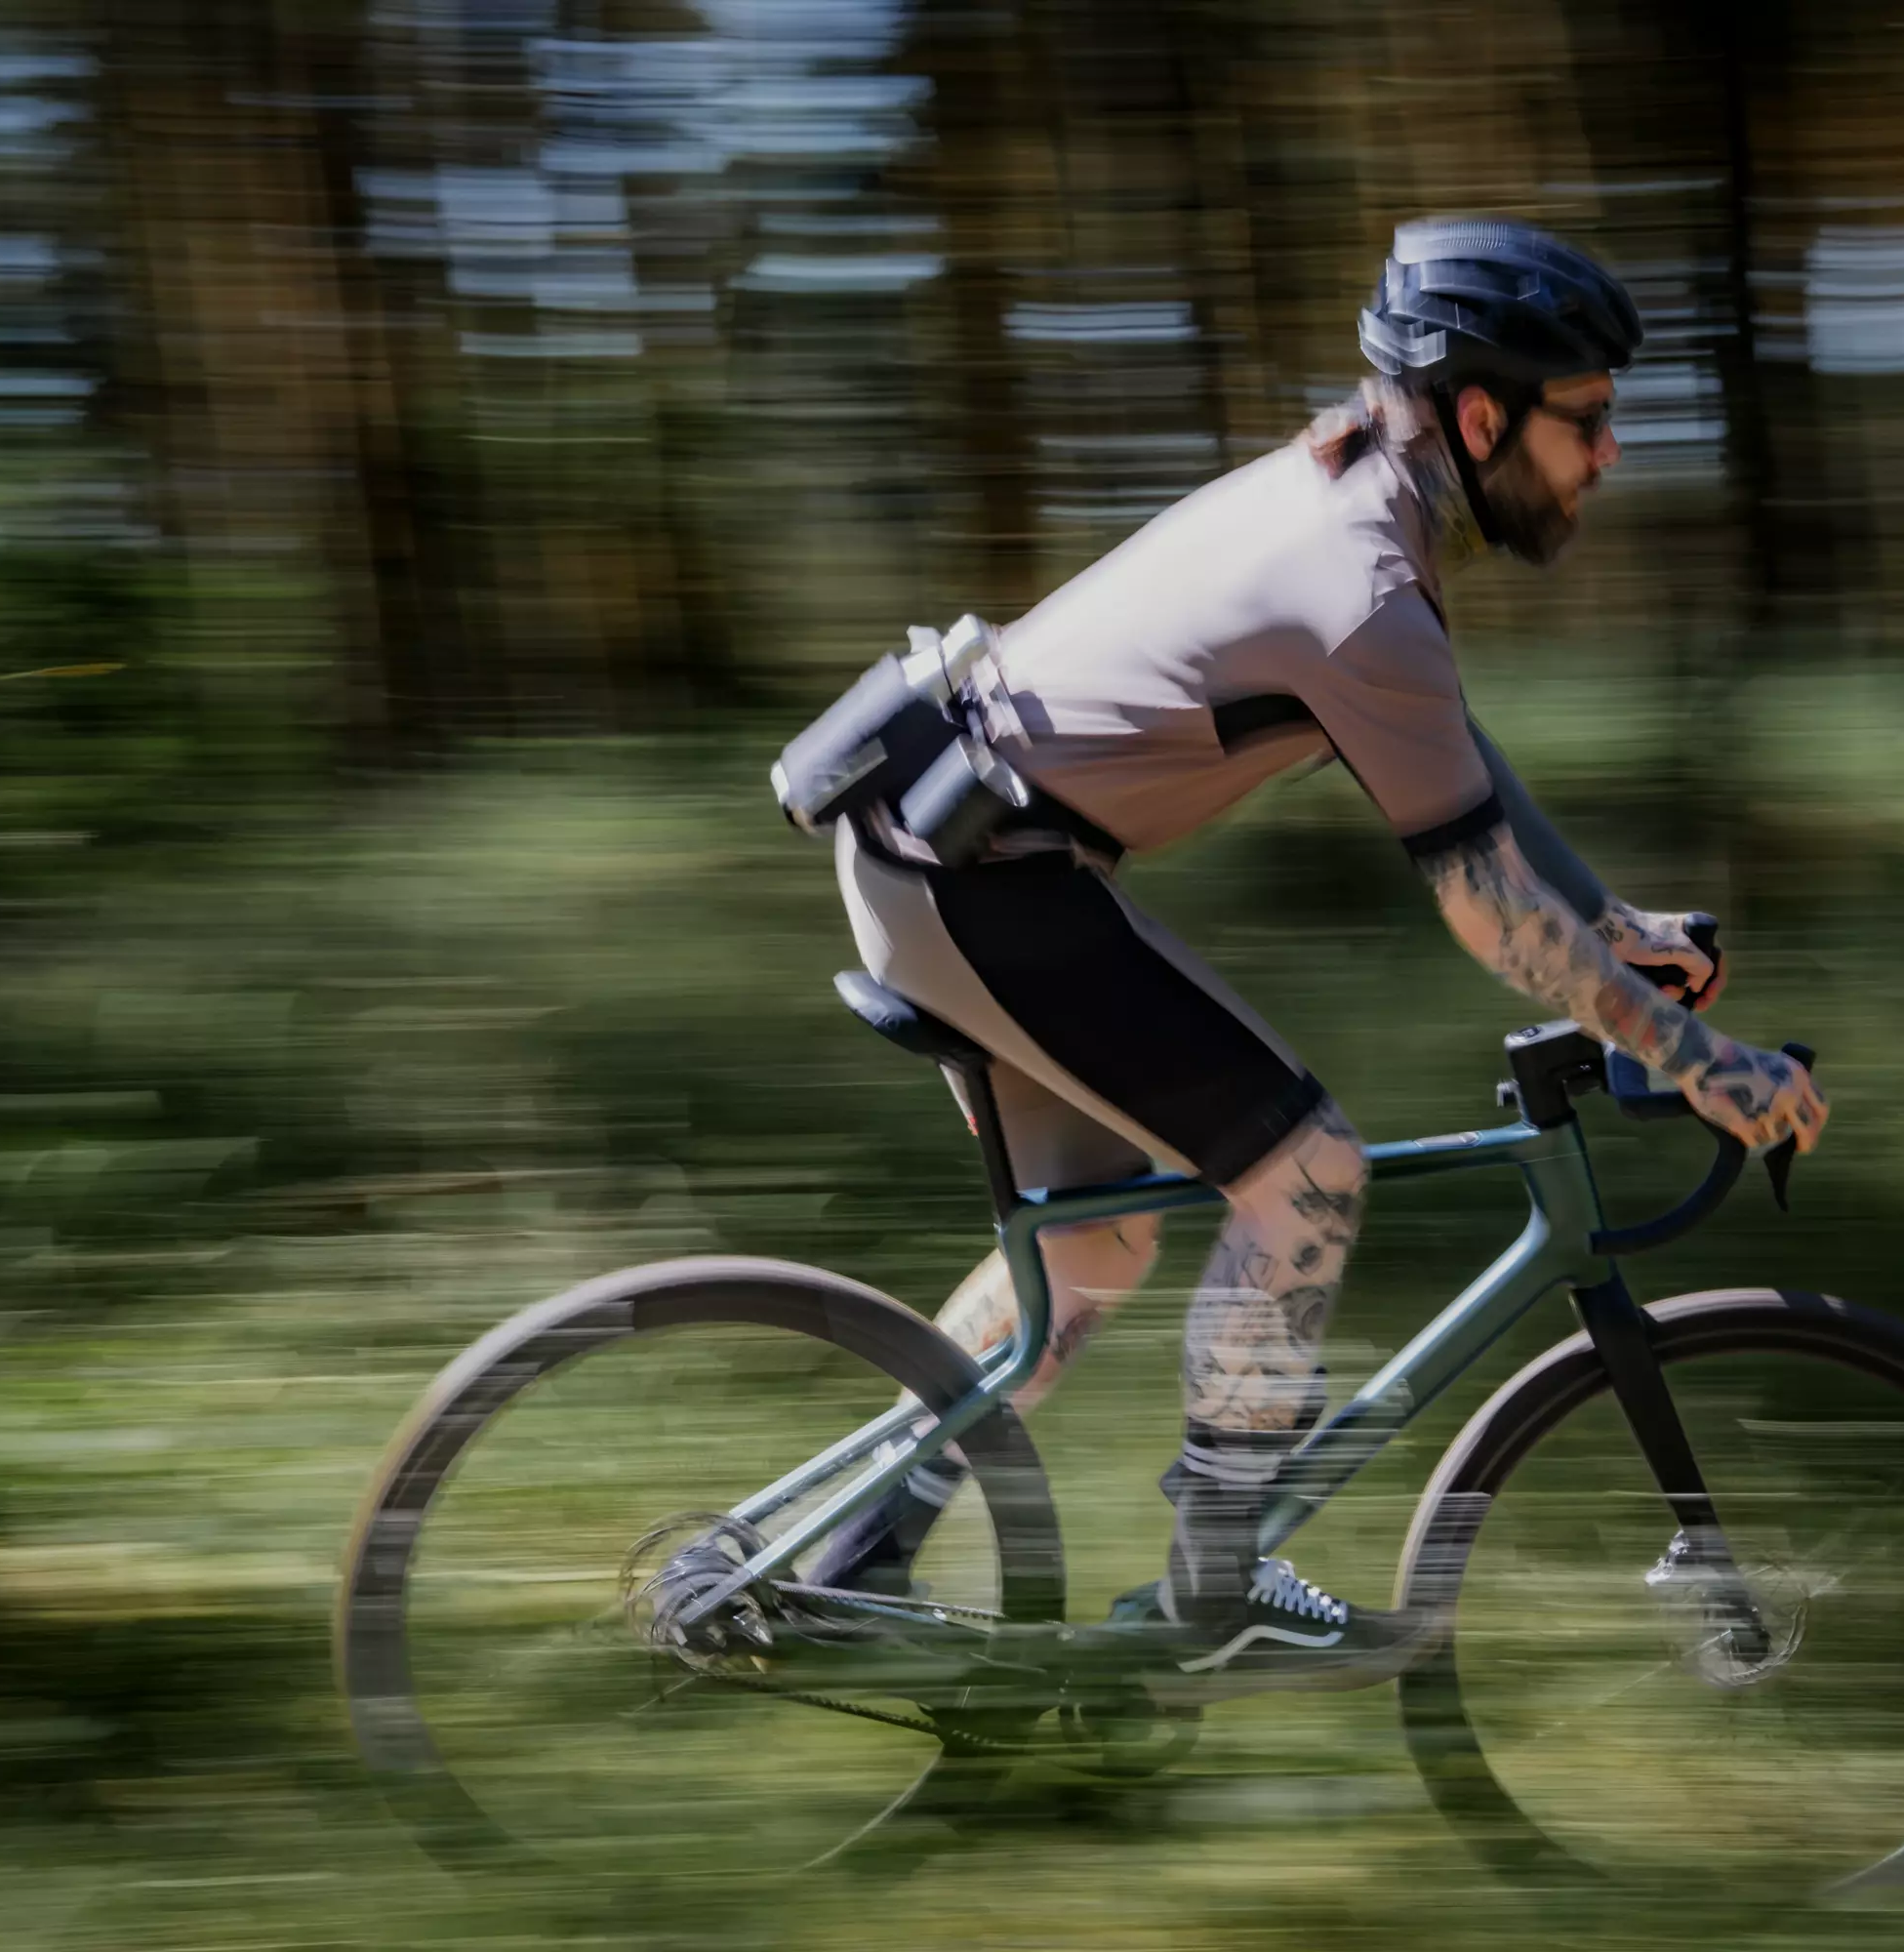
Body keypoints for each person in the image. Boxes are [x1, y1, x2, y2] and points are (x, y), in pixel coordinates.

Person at [707, 218, 1825, 1683]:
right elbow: (1485, 907)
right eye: (1591, 418)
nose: (1611, 454)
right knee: (1306, 1173)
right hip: (974, 874)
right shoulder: (1361, 585)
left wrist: (1611, 930)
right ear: (1482, 416)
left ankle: (826, 1574)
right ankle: (1218, 1574)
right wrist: (1699, 1062)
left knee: (1091, 1252)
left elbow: (1458, 769)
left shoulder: (1358, 502)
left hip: (958, 847)